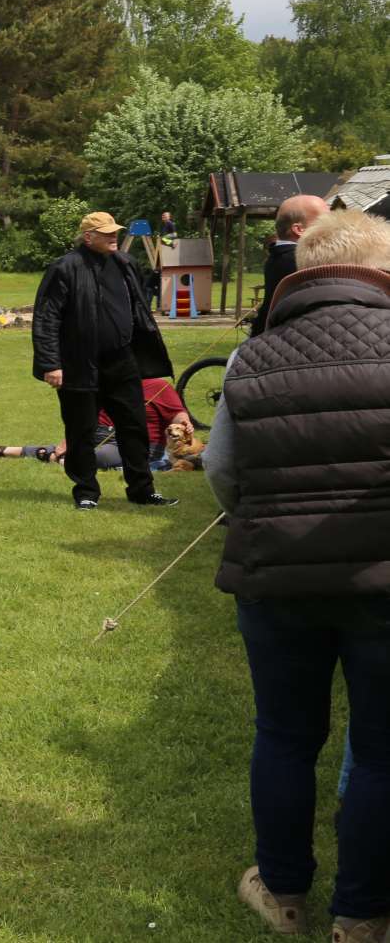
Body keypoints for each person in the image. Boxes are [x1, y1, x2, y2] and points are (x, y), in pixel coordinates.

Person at [203, 210, 390, 941]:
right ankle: (363, 916)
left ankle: (282, 895)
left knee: (284, 735)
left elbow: (221, 472)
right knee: (380, 748)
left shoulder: (252, 357)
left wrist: (263, 517)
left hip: (276, 581)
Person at [31, 211, 177, 510]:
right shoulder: (65, 268)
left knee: (134, 427)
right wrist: (51, 363)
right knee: (81, 430)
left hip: (122, 361)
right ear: (88, 237)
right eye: (107, 232)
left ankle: (142, 490)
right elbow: (46, 318)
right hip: (78, 364)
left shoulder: (125, 264)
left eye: (115, 231)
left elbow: (138, 306)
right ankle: (86, 491)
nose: (114, 236)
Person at [0, 377, 191, 471]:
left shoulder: (159, 386)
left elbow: (177, 415)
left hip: (134, 442)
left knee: (97, 456)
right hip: (99, 432)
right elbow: (86, 417)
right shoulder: (109, 383)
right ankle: (6, 450)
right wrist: (70, 439)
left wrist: (184, 422)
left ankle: (48, 456)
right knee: (71, 447)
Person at [249, 194, 327, 337]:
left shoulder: (280, 255)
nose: (333, 226)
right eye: (324, 220)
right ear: (299, 229)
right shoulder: (299, 261)